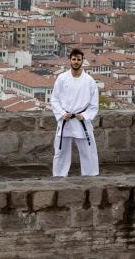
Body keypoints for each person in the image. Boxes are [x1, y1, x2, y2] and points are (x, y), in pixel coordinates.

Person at [50, 48, 100, 177]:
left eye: (79, 59)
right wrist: (61, 113)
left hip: (81, 121)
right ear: (70, 60)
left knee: (88, 152)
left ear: (83, 61)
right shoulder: (61, 78)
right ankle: (59, 176)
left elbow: (94, 106)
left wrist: (84, 116)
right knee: (61, 152)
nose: (76, 62)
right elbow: (54, 99)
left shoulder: (90, 81)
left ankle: (90, 176)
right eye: (74, 59)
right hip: (65, 119)